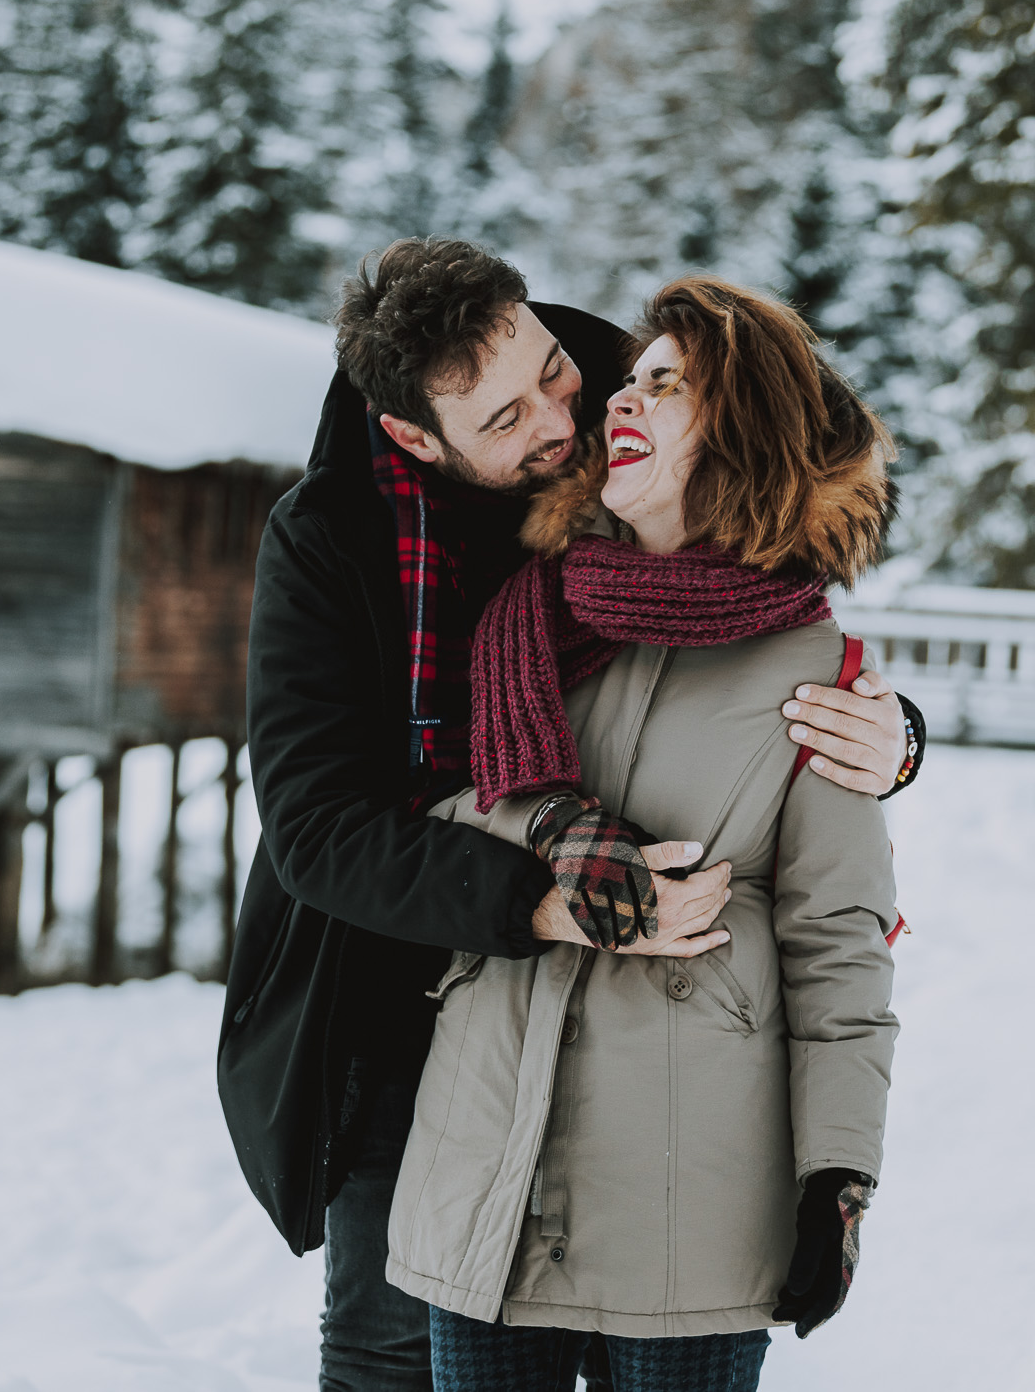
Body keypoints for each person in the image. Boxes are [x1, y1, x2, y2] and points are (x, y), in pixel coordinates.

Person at [216, 239, 927, 1392]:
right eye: (502, 423)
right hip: (400, 983)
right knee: (390, 1348)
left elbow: (788, 499)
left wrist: (885, 734)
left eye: (550, 367)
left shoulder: (613, 389)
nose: (562, 425)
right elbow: (321, 831)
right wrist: (552, 889)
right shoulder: (332, 537)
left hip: (665, 1069)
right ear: (416, 438)